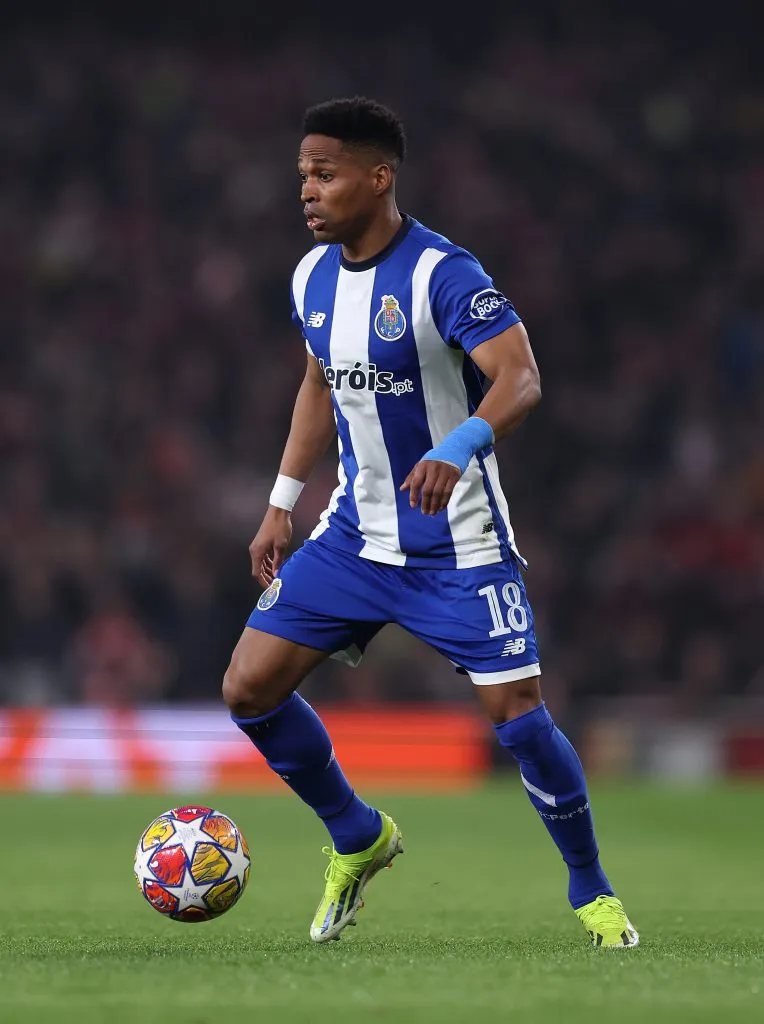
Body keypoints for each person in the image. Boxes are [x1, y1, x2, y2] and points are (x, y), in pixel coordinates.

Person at [222, 96, 638, 949]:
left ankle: (591, 890)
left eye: (325, 173)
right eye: (303, 172)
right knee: (247, 689)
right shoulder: (310, 276)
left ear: (379, 177)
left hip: (458, 541)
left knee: (520, 717)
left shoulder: (444, 273)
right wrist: (280, 498)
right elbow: (317, 384)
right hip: (353, 536)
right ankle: (357, 835)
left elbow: (518, 377)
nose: (307, 189)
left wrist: (459, 445)